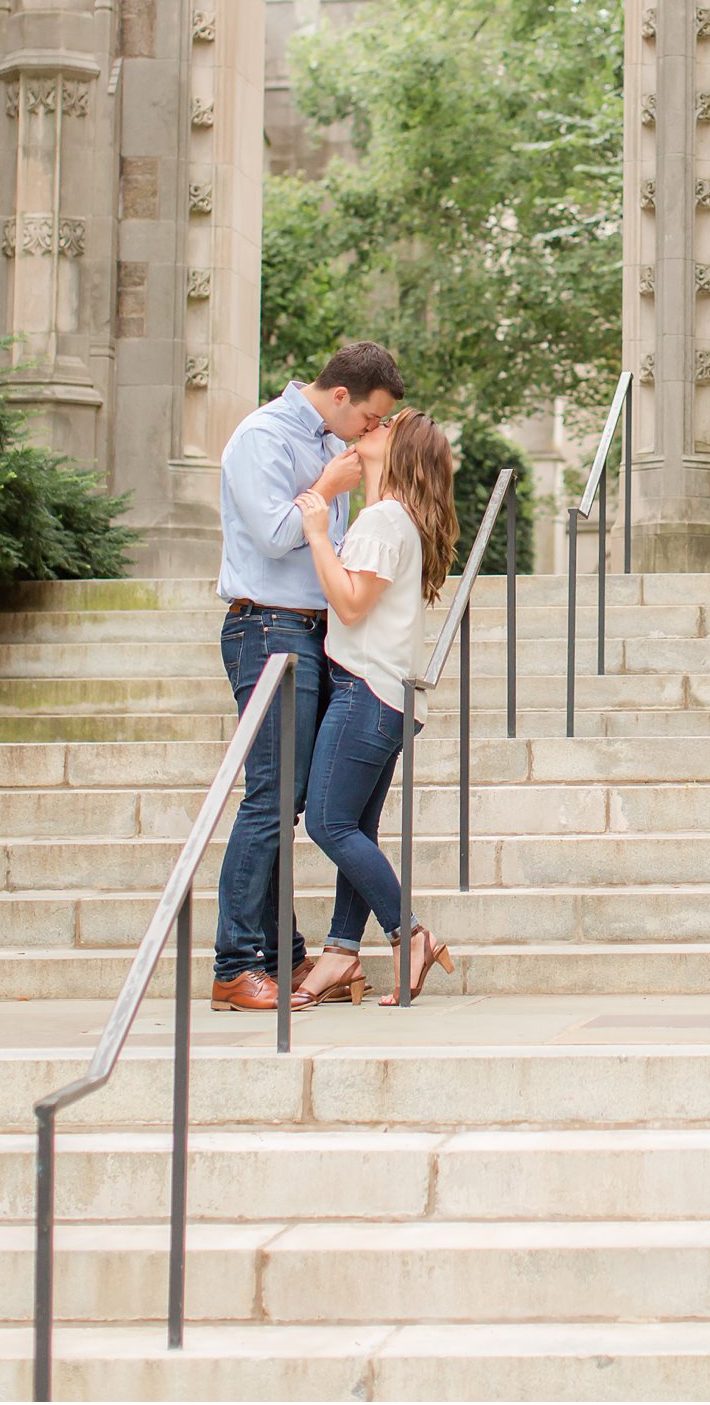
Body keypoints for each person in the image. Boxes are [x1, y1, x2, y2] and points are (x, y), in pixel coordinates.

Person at [210, 343, 404, 1012]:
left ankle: (283, 956)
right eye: (372, 417)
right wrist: (326, 490)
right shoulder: (262, 435)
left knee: (289, 802)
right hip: (266, 629)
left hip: (313, 634)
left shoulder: (336, 446)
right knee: (269, 799)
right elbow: (270, 534)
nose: (373, 431)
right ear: (342, 395)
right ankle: (235, 962)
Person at [292, 410, 459, 1007]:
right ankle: (340, 954)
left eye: (386, 424)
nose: (372, 424)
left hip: (366, 691)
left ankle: (408, 934)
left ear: (399, 451)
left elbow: (353, 604)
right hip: (389, 697)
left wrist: (316, 530)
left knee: (327, 824)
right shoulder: (399, 520)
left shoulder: (383, 521)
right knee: (356, 829)